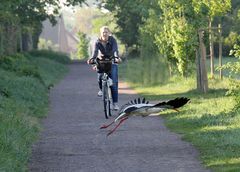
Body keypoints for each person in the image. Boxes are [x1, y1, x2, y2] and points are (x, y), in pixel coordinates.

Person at [87, 26, 121, 110]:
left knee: (113, 84)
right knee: (100, 77)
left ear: (109, 33)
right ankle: (102, 89)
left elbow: (115, 50)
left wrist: (117, 58)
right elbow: (95, 52)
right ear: (100, 33)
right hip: (101, 61)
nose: (105, 33)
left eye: (106, 32)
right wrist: (92, 59)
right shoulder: (97, 42)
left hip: (111, 61)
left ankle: (115, 104)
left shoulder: (112, 40)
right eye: (103, 32)